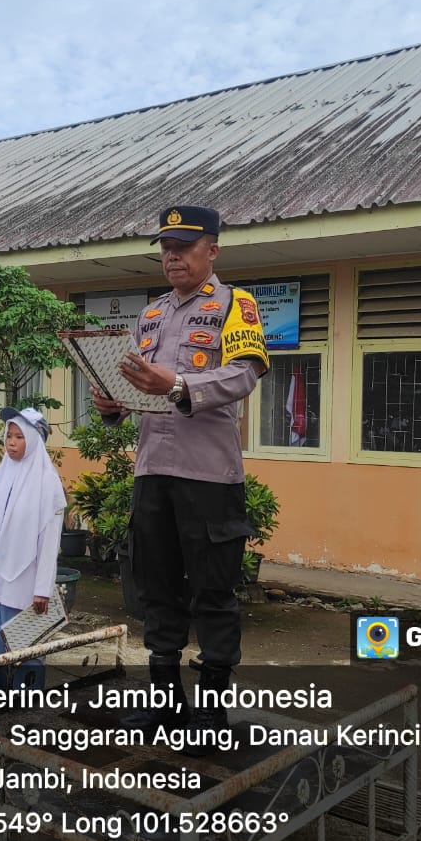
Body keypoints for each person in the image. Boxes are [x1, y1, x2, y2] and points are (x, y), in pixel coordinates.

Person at [91, 205, 268, 742]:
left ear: (211, 250)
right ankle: (165, 701)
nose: (172, 256)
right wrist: (112, 404)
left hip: (209, 476)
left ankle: (211, 711)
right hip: (153, 471)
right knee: (157, 588)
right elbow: (134, 391)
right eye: (166, 247)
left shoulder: (236, 304)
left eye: (185, 246)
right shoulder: (150, 316)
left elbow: (243, 374)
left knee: (213, 593)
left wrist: (176, 386)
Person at [0, 407, 65, 690]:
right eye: (8, 435)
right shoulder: (1, 474)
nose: (11, 442)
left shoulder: (47, 484)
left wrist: (42, 588)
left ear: (34, 440)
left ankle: (28, 697)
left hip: (26, 575)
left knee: (25, 641)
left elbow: (50, 542)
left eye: (19, 436)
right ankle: (1, 692)